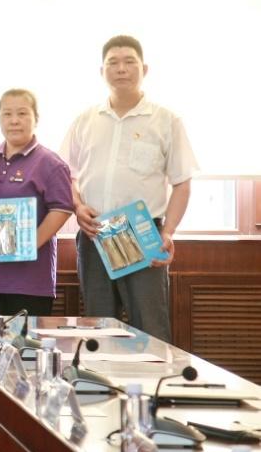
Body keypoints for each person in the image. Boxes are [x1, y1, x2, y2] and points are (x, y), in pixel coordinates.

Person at [62, 35, 196, 342]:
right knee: (98, 327)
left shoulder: (166, 120)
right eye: (113, 63)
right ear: (102, 71)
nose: (121, 69)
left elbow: (182, 183)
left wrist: (168, 232)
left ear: (144, 69)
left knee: (150, 326)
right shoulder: (85, 120)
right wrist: (78, 206)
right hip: (95, 232)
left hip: (142, 232)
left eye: (129, 62)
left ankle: (153, 376)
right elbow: (66, 175)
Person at [0, 89, 73, 316]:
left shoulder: (51, 163)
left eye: (22, 113)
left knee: (24, 339)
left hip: (31, 281)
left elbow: (62, 208)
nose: (14, 121)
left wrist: (30, 243)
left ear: (36, 118)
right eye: (7, 114)